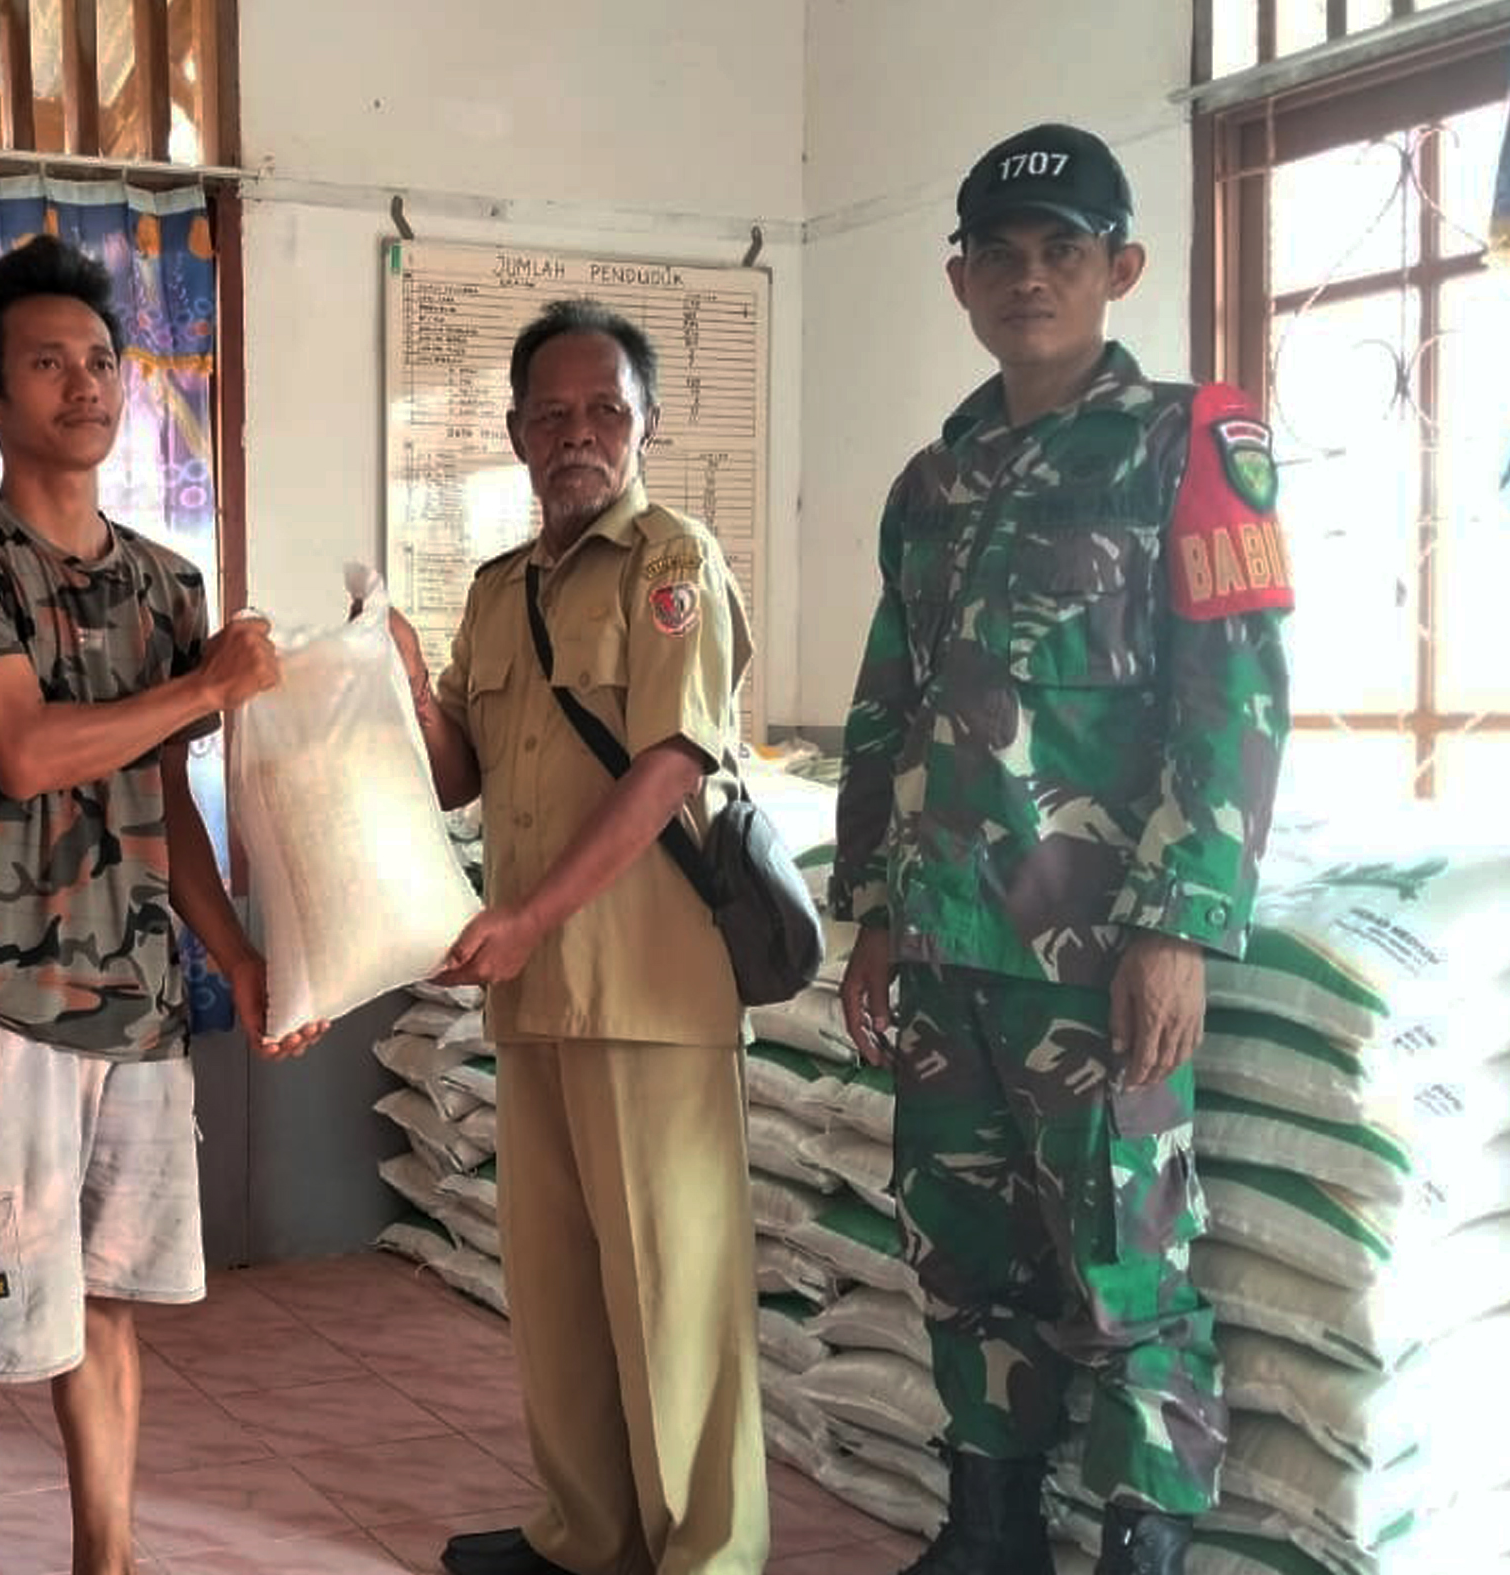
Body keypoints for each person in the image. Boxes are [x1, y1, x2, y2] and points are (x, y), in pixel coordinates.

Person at [829, 124, 1293, 1575]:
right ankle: (990, 1529)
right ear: (959, 278)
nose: (1028, 279)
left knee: (1122, 1263)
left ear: (1120, 268)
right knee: (959, 1247)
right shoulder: (932, 481)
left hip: (1091, 951)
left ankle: (1140, 1543)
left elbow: (1235, 696)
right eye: (1001, 256)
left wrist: (1179, 924)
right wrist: (875, 909)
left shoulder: (1186, 442)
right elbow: (888, 704)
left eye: (1062, 252)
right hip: (947, 940)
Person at [0, 235, 325, 1575]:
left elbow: (162, 797)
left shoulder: (167, 583)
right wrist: (207, 687)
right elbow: (24, 750)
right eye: (46, 363)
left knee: (108, 1304)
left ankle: (106, 1555)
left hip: (137, 1004)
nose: (85, 384)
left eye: (102, 360)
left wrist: (235, 954)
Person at [382, 297, 768, 1575]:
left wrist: (529, 916)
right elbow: (457, 774)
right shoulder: (499, 592)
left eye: (604, 409)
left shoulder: (671, 564)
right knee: (555, 1290)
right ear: (514, 434)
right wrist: (398, 682)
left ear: (644, 422)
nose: (577, 434)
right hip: (534, 993)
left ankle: (704, 1556)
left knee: (673, 1292)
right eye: (550, 414)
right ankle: (586, 1536)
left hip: (648, 988)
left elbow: (669, 766)